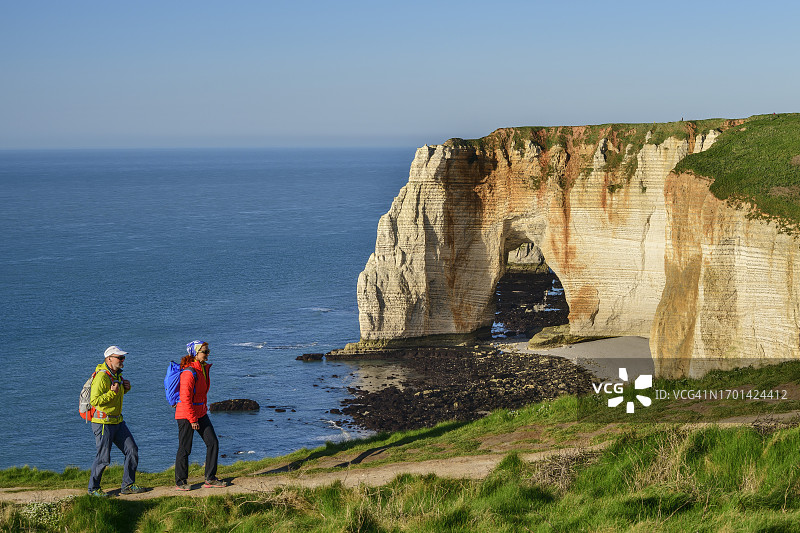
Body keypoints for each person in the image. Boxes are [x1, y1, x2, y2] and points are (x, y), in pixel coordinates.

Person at [88, 346, 146, 497]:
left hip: (117, 421)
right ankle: (93, 489)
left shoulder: (116, 375)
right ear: (109, 359)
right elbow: (94, 401)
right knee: (103, 458)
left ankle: (128, 485)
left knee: (132, 450)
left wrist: (125, 388)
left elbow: (115, 396)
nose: (122, 360)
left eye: (123, 357)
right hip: (102, 423)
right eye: (119, 358)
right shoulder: (102, 377)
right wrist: (111, 393)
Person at [174, 340, 227, 490]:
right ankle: (180, 482)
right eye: (205, 351)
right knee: (185, 448)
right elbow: (185, 399)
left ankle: (210, 478)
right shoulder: (189, 373)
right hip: (186, 414)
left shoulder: (202, 369)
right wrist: (192, 419)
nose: (208, 354)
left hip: (200, 412)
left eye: (208, 351)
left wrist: (200, 414)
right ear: (195, 353)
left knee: (213, 442)